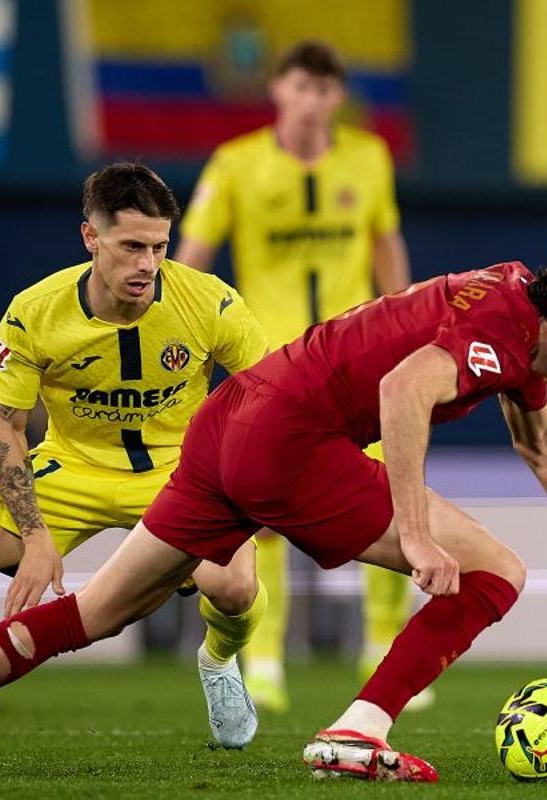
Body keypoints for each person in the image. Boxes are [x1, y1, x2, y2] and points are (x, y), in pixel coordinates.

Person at [0, 228, 547, 782]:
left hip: (229, 423)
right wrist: (413, 531)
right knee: (499, 572)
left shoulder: (518, 303)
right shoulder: (502, 328)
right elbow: (406, 389)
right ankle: (359, 730)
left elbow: (541, 445)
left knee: (95, 611)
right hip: (292, 442)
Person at [0, 163, 269, 753]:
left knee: (233, 588)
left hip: (181, 473)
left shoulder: (210, 302)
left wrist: (257, 486)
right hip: (71, 467)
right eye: (131, 247)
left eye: (159, 247)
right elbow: (5, 429)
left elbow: (271, 397)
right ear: (90, 237)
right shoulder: (35, 312)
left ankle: (218, 659)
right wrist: (34, 537)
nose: (148, 264)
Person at [174, 39, 415, 712]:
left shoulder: (369, 158)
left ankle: (383, 643)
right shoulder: (236, 163)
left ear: (339, 97)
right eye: (301, 86)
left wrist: (406, 328)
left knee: (392, 490)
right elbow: (191, 263)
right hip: (271, 359)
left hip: (356, 357)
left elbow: (386, 243)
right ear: (278, 90)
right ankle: (266, 658)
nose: (312, 101)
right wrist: (185, 332)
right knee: (265, 509)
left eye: (325, 88)